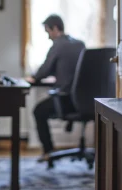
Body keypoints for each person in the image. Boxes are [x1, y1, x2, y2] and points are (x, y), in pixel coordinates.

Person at [26, 14, 85, 162]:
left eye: (48, 32)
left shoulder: (58, 45)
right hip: (84, 101)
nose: (48, 37)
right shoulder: (80, 44)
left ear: (55, 29)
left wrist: (34, 78)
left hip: (65, 101)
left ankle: (48, 152)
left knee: (38, 111)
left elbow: (45, 70)